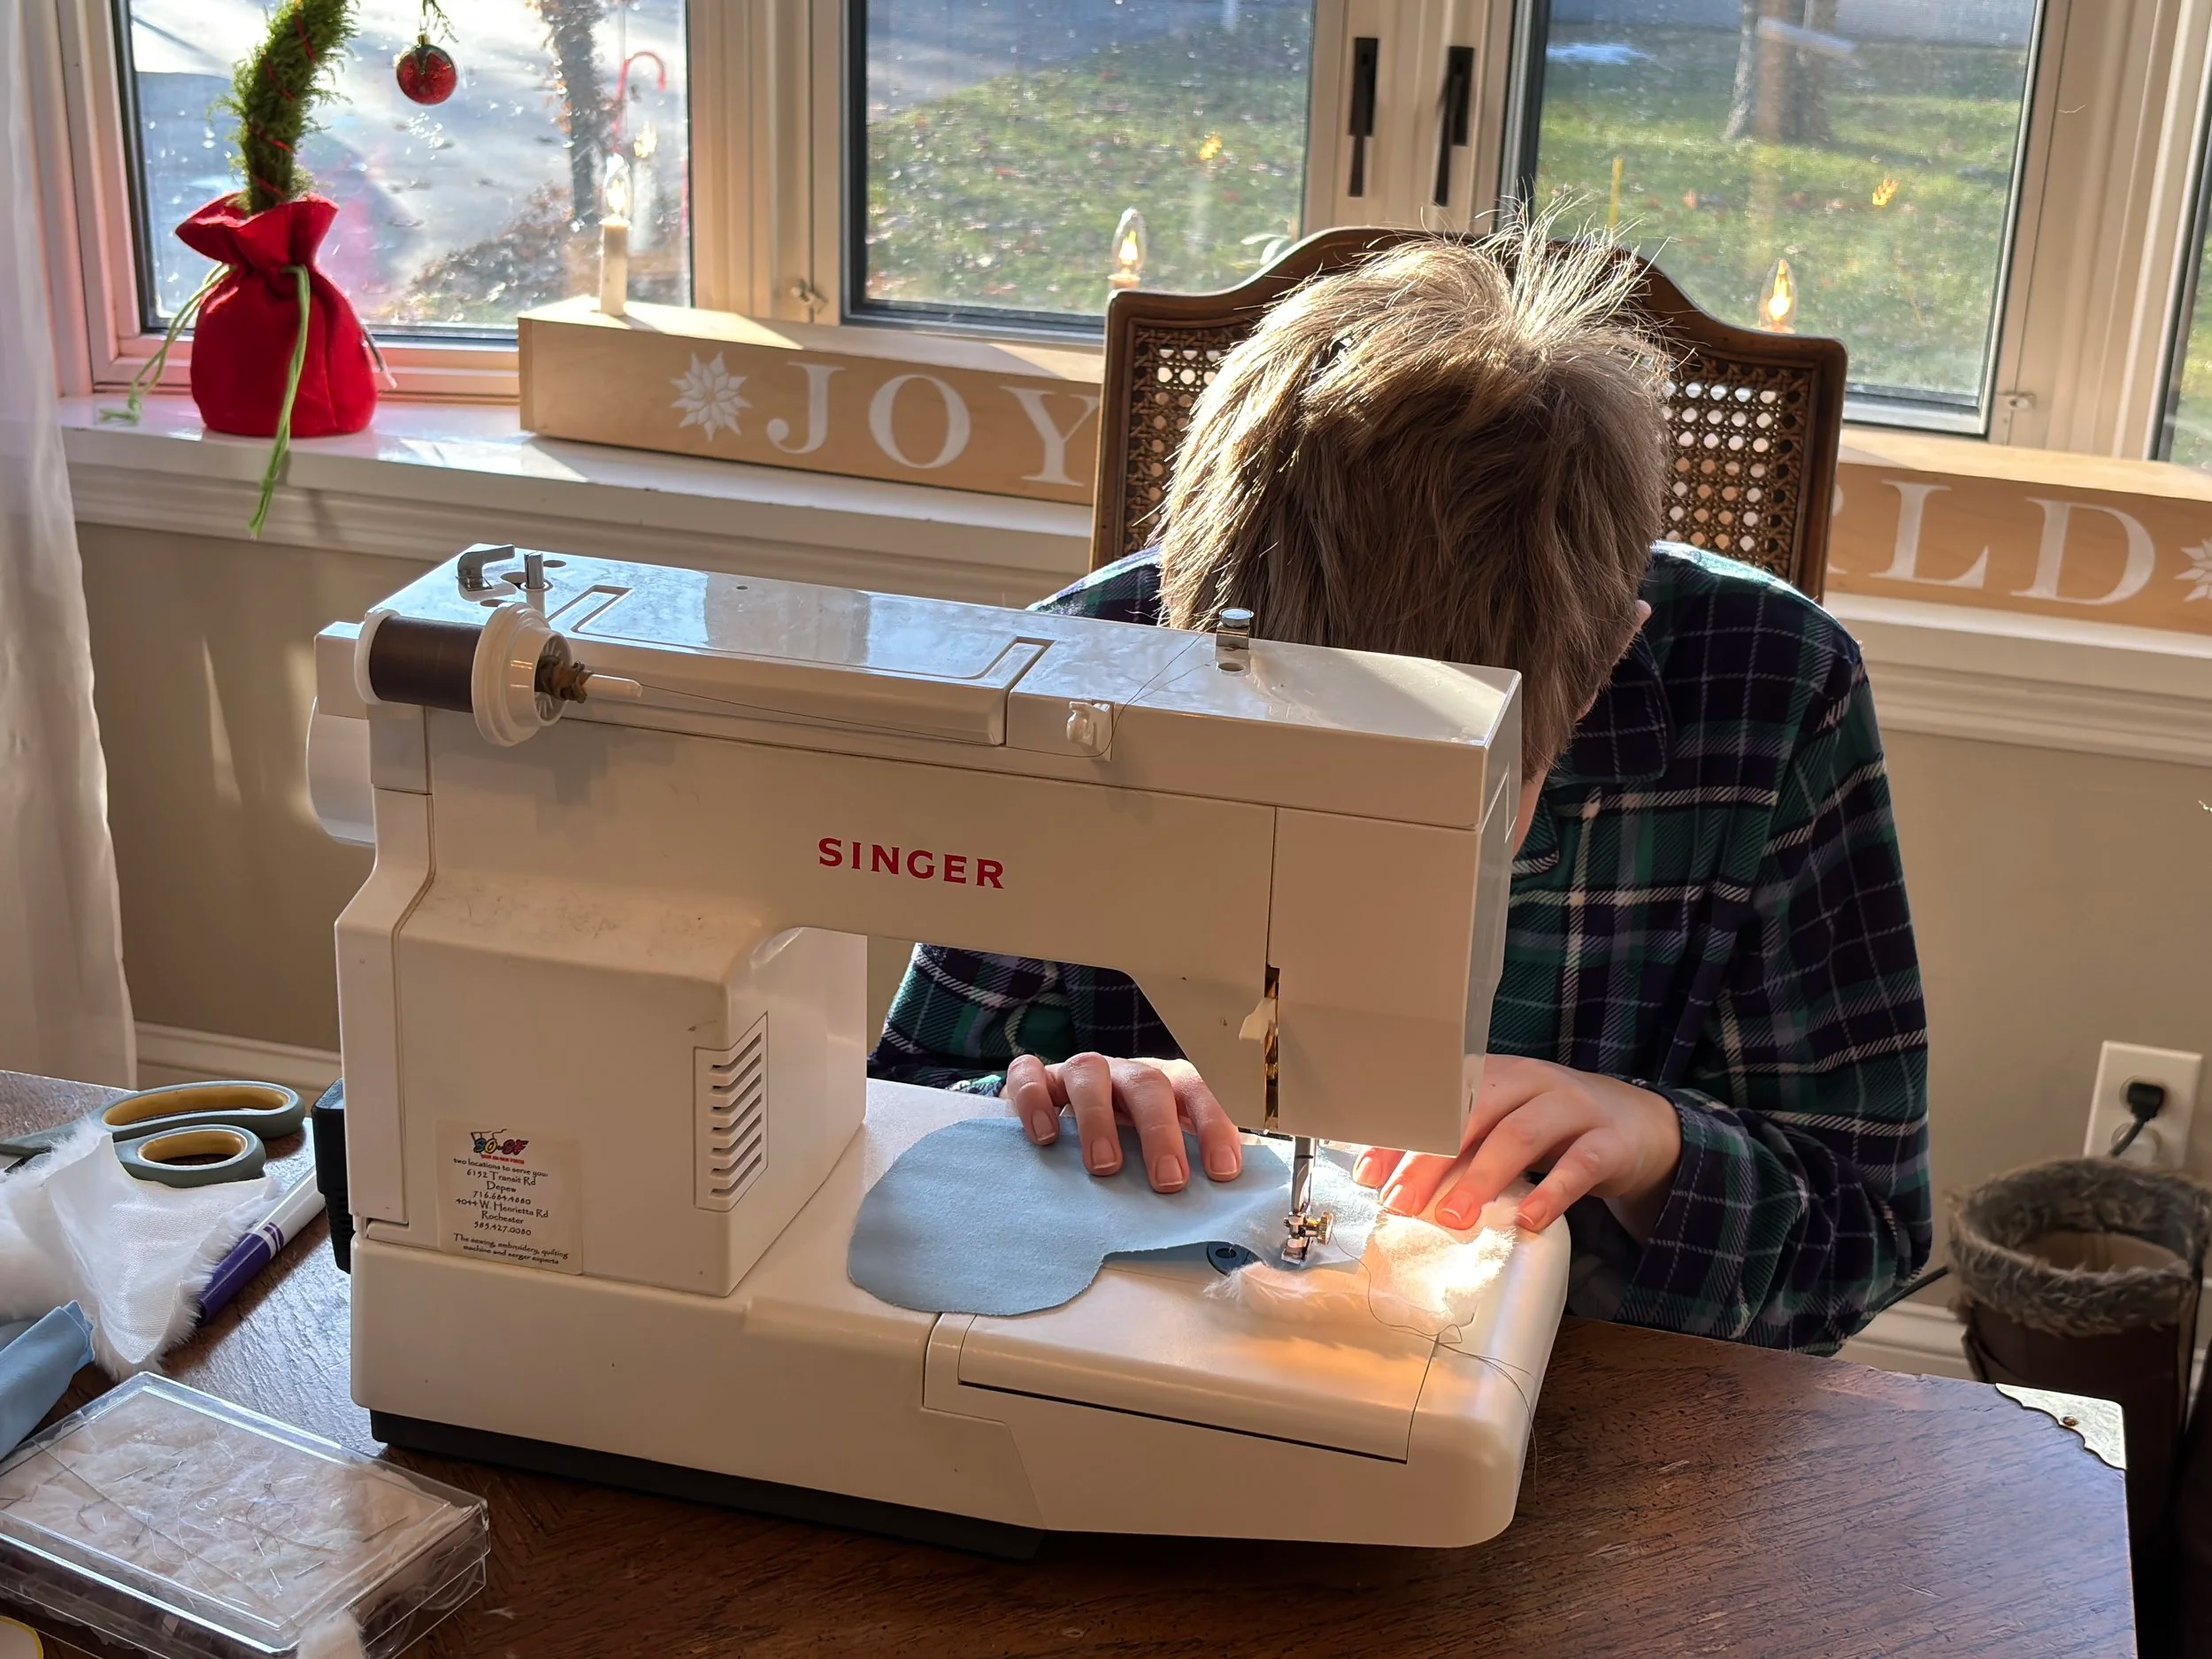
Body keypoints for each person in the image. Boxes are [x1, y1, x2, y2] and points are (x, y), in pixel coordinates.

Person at [869, 226, 1930, 1354]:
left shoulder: (1776, 694)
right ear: (1184, 643)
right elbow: (906, 1099)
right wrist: (1037, 1105)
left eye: (1429, 828)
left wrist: (1654, 1147)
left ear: (1602, 669)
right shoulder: (1091, 669)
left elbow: (1861, 1238)